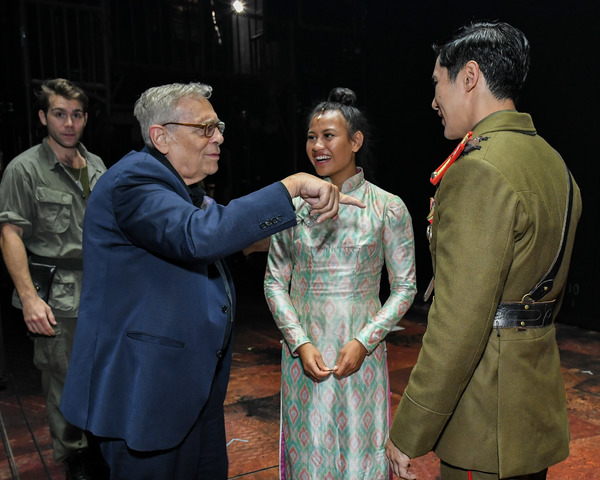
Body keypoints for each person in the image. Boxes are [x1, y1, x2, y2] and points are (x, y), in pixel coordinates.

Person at [59, 82, 365, 479]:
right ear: (161, 136)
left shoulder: (181, 189)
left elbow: (215, 239)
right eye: (205, 128)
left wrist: (304, 233)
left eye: (218, 126)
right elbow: (199, 236)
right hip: (145, 394)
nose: (219, 136)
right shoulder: (133, 183)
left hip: (188, 390)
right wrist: (291, 187)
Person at [385, 21, 582, 480]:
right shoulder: (553, 162)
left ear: (469, 77)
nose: (434, 101)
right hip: (531, 411)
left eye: (438, 84)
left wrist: (410, 428)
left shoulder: (479, 171)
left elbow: (459, 322)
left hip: (484, 420)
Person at [264, 87, 417, 478]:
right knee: (307, 453)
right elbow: (274, 282)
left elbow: (404, 287)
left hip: (359, 354)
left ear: (355, 141)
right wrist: (299, 340)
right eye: (312, 137)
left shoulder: (387, 207)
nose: (317, 145)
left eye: (328, 136)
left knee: (360, 456)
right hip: (305, 355)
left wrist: (365, 340)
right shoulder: (291, 210)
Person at [0, 78, 107, 479]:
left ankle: (98, 449)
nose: (69, 123)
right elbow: (10, 233)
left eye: (77, 115)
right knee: (63, 379)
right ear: (44, 117)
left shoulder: (96, 165)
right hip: (55, 292)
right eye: (59, 114)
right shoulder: (24, 169)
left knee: (101, 374)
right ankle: (74, 458)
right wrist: (29, 298)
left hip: (100, 289)